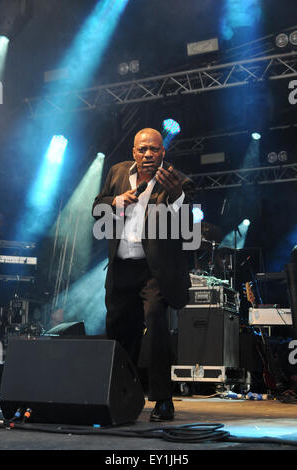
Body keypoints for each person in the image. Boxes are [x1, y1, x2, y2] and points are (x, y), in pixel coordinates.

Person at [92, 128, 195, 421]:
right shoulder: (116, 173)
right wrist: (114, 202)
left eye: (154, 149)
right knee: (120, 333)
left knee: (157, 326)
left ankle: (163, 400)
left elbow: (186, 219)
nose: (148, 154)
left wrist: (177, 196)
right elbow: (96, 207)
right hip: (122, 267)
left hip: (154, 270)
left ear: (163, 152)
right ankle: (122, 396)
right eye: (142, 149)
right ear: (134, 153)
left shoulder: (175, 180)